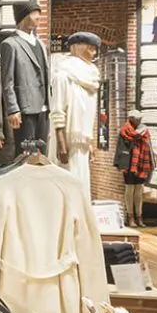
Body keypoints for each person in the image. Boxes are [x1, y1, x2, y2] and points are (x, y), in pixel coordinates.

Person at [0, 0, 52, 162]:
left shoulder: (40, 44)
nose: (38, 18)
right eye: (34, 13)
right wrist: (13, 109)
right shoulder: (10, 44)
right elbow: (7, 80)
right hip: (25, 108)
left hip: (44, 107)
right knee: (25, 155)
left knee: (42, 155)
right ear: (23, 17)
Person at [50, 31, 104, 192]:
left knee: (81, 184)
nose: (93, 53)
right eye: (90, 48)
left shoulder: (91, 76)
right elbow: (57, 109)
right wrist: (61, 144)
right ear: (78, 48)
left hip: (82, 142)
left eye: (95, 49)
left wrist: (90, 142)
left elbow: (89, 113)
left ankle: (79, 217)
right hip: (66, 140)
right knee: (66, 184)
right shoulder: (63, 74)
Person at [117, 111, 155, 225]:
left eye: (140, 118)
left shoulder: (145, 131)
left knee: (139, 189)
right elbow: (121, 148)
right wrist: (122, 164)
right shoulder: (124, 131)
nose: (139, 120)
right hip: (129, 163)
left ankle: (139, 216)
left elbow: (149, 147)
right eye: (137, 118)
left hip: (141, 163)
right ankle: (130, 217)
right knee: (130, 189)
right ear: (131, 118)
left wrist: (151, 162)